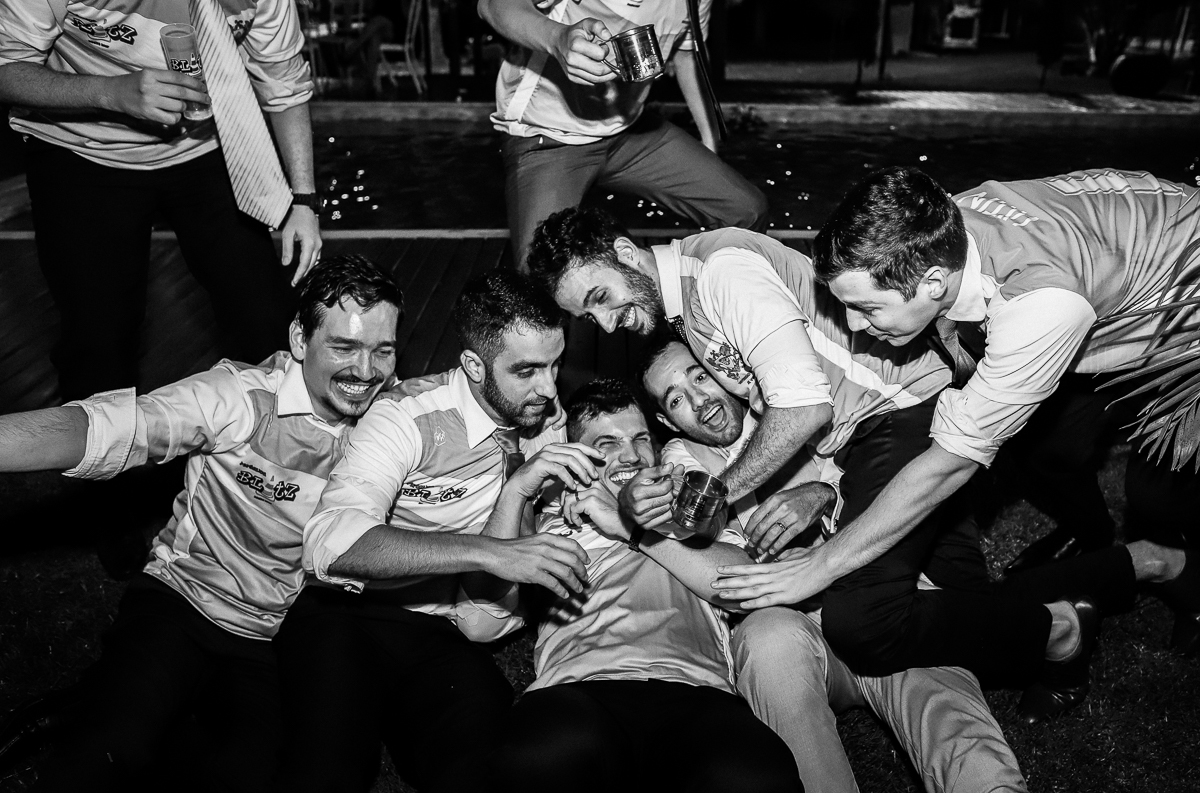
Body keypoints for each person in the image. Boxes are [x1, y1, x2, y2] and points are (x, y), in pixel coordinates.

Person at [525, 206, 1179, 722]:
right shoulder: (689, 305)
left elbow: (804, 408)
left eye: (601, 296)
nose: (604, 323)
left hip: (896, 419)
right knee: (959, 605)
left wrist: (717, 495)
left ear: (626, 253)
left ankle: (1059, 632)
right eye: (589, 316)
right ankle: (1139, 564)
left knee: (864, 623)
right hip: (867, 437)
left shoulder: (720, 271)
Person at [711, 167, 1200, 658]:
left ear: (933, 281)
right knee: (1052, 449)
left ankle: (1184, 570)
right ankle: (1098, 540)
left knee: (1159, 493)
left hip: (1186, 315)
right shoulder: (934, 227)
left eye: (868, 309)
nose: (853, 324)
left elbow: (950, 464)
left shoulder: (1040, 304)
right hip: (1121, 274)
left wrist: (821, 566)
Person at [0, 255, 403, 792]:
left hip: (271, 636)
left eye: (383, 350)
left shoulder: (392, 424)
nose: (366, 371)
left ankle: (95, 699)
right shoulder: (241, 397)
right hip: (180, 600)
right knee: (107, 755)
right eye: (344, 347)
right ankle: (108, 706)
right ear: (299, 340)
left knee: (241, 774)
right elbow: (116, 427)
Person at [639, 340, 1027, 792]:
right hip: (802, 634)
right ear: (668, 423)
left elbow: (886, 477)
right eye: (676, 399)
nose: (699, 400)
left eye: (700, 376)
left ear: (723, 367)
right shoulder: (685, 466)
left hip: (881, 602)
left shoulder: (795, 398)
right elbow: (726, 575)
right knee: (766, 639)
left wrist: (823, 496)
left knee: (956, 731)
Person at [276, 269, 594, 793]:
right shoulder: (405, 417)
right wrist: (487, 553)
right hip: (346, 615)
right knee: (325, 769)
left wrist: (529, 493)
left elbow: (488, 618)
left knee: (485, 770)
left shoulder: (545, 420)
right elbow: (330, 541)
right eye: (527, 370)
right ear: (473, 365)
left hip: (437, 632)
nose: (549, 387)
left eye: (555, 364)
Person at [0, 0, 322, 403]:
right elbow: (7, 70)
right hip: (81, 151)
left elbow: (284, 82)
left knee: (266, 318)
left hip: (205, 146)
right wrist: (111, 93)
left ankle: (281, 436)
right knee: (98, 347)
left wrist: (304, 200)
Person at [490, 379, 803, 793]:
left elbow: (745, 586)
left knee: (756, 778)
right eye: (607, 444)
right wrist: (517, 488)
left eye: (640, 439)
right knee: (539, 758)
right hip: (579, 690)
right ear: (577, 458)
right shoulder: (555, 523)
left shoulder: (693, 518)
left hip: (697, 694)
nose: (631, 455)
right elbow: (484, 615)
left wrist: (630, 529)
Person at [477, 0, 768, 269]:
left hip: (630, 130)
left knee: (746, 211)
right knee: (540, 275)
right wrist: (558, 39)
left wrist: (710, 142)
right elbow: (492, 2)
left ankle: (714, 293)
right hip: (547, 133)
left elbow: (688, 56)